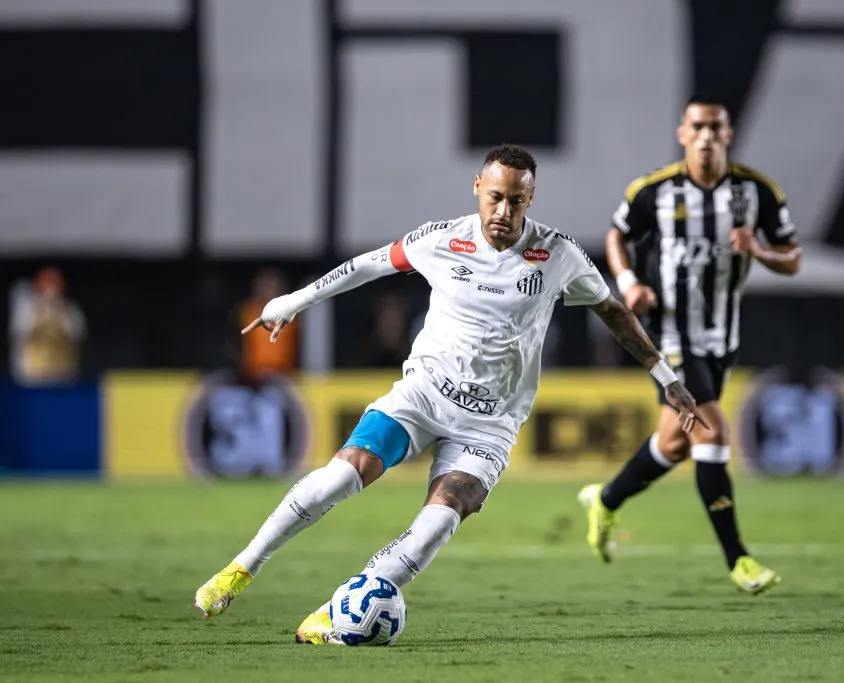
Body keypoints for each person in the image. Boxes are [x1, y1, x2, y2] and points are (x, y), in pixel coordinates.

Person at [193, 144, 707, 643]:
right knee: (342, 475)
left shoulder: (557, 254)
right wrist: (297, 300)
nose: (503, 210)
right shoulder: (441, 239)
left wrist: (669, 379)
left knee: (447, 511)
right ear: (478, 188)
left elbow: (613, 311)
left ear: (531, 199)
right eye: (495, 196)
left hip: (491, 421)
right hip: (423, 396)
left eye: (516, 200)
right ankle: (242, 568)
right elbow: (368, 265)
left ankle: (348, 604)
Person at [577, 94, 801, 594]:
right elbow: (616, 234)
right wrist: (629, 281)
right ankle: (738, 560)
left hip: (721, 335)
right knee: (711, 430)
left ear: (728, 135)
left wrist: (759, 250)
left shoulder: (757, 191)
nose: (706, 136)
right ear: (683, 132)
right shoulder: (654, 190)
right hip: (669, 331)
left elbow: (794, 257)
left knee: (675, 442)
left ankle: (606, 500)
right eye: (697, 126)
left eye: (715, 128)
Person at [9, 266, 87, 386]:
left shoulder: (71, 309)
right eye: (47, 282)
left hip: (62, 376)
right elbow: (17, 334)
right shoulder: (26, 308)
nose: (51, 288)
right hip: (31, 377)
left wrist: (59, 312)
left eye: (55, 282)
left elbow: (77, 336)